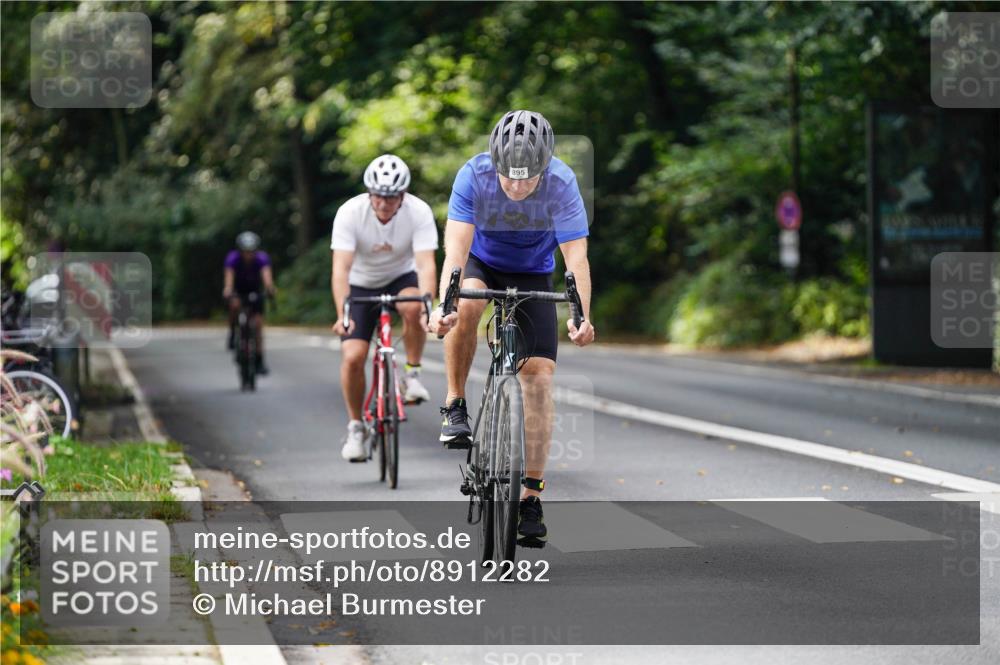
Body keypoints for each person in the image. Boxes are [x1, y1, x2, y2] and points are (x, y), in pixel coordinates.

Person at [429, 110, 596, 548]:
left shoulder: (562, 182)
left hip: (532, 275)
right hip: (482, 264)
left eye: (528, 179)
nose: (518, 188)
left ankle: (530, 498)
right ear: (494, 162)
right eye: (509, 178)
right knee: (468, 302)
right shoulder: (473, 176)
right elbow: (456, 253)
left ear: (545, 167)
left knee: (539, 378)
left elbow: (576, 258)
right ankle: (455, 404)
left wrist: (581, 315)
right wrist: (444, 306)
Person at [331, 154, 438, 462]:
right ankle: (356, 428)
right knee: (353, 357)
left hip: (400, 276)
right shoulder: (350, 213)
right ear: (369, 193)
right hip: (360, 282)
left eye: (391, 197)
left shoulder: (419, 211)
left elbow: (425, 263)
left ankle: (412, 374)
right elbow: (340, 268)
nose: (384, 203)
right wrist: (342, 313)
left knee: (412, 306)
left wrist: (426, 305)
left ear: (402, 196)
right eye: (378, 196)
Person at [223, 231, 275, 374]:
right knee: (234, 305)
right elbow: (229, 276)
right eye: (245, 251)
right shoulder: (233, 259)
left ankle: (259, 359)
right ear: (240, 251)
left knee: (257, 325)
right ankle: (233, 333)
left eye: (251, 251)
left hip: (255, 292)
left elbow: (266, 276)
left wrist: (269, 288)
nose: (248, 254)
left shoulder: (261, 259)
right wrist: (228, 289)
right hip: (238, 290)